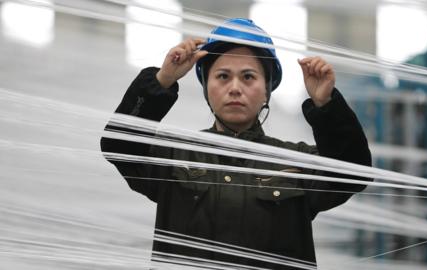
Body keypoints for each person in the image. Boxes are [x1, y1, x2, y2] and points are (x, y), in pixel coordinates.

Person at [101, 18, 372, 269]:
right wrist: (163, 80)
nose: (234, 87)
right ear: (207, 87)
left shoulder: (296, 163)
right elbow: (119, 145)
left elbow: (353, 173)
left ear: (267, 90)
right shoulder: (176, 156)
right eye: (222, 76)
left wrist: (326, 104)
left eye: (248, 77)